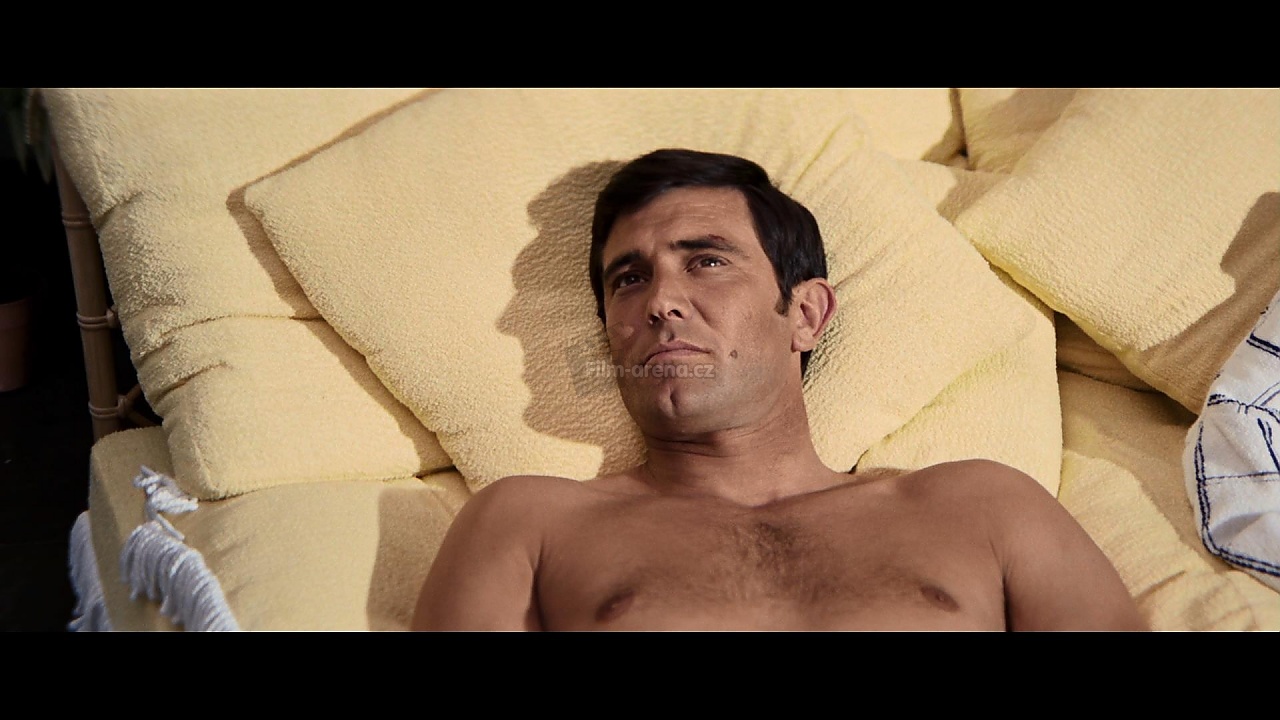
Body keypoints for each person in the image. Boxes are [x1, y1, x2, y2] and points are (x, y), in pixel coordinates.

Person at [412, 148, 1147, 631]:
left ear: (805, 314)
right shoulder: (530, 525)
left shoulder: (985, 507)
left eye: (706, 262)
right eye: (629, 279)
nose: (660, 301)